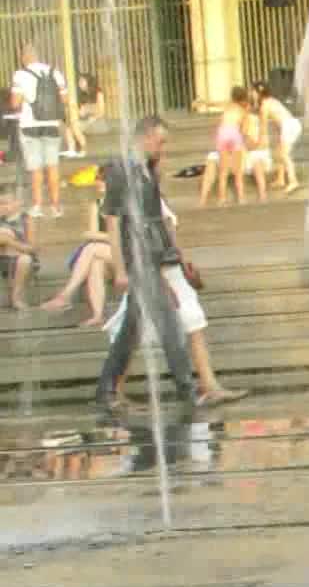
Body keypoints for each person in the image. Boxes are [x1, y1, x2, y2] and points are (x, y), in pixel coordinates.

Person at [100, 199, 249, 408]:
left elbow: (169, 238)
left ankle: (210, 386)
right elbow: (147, 240)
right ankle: (115, 391)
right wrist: (161, 279)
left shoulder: (154, 196)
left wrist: (185, 266)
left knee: (194, 326)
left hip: (172, 270)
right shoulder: (135, 197)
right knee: (132, 331)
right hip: (155, 272)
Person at [94, 116, 198, 413]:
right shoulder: (120, 170)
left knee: (132, 327)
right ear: (146, 137)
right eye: (160, 142)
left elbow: (156, 220)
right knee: (168, 323)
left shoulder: (148, 170)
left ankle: (105, 390)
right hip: (135, 258)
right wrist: (120, 269)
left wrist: (169, 259)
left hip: (150, 256)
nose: (163, 148)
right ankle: (187, 391)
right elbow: (112, 222)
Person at [41, 175, 112, 326]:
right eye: (98, 179)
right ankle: (98, 314)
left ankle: (66, 295)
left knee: (92, 248)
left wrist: (104, 237)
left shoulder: (126, 204)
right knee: (95, 264)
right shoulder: (97, 204)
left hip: (129, 253)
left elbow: (125, 237)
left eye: (104, 180)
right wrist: (108, 237)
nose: (99, 183)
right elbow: (90, 233)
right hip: (108, 254)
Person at [10, 43, 68, 220]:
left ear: (24, 57)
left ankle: (37, 206)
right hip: (51, 124)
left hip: (30, 126)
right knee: (53, 166)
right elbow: (65, 99)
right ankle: (55, 207)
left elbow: (15, 103)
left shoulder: (20, 74)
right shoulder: (54, 72)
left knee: (36, 168)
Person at [253, 81, 302, 193]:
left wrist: (260, 142)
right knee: (280, 152)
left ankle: (293, 181)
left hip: (289, 126)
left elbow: (263, 127)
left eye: (253, 91)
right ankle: (281, 179)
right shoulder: (271, 100)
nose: (251, 94)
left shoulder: (264, 105)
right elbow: (278, 118)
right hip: (290, 125)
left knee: (284, 155)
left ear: (258, 92)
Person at [207, 86, 250, 206]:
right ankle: (241, 197)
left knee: (223, 171)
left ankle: (222, 198)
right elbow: (245, 130)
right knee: (238, 170)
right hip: (235, 133)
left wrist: (203, 102)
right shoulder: (243, 111)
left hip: (223, 133)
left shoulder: (227, 106)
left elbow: (214, 104)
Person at [0, 188, 36, 310]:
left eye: (5, 203)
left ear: (18, 203)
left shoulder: (26, 219)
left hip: (20, 257)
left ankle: (16, 297)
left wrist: (10, 242)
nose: (2, 207)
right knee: (4, 232)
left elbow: (31, 247)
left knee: (25, 259)